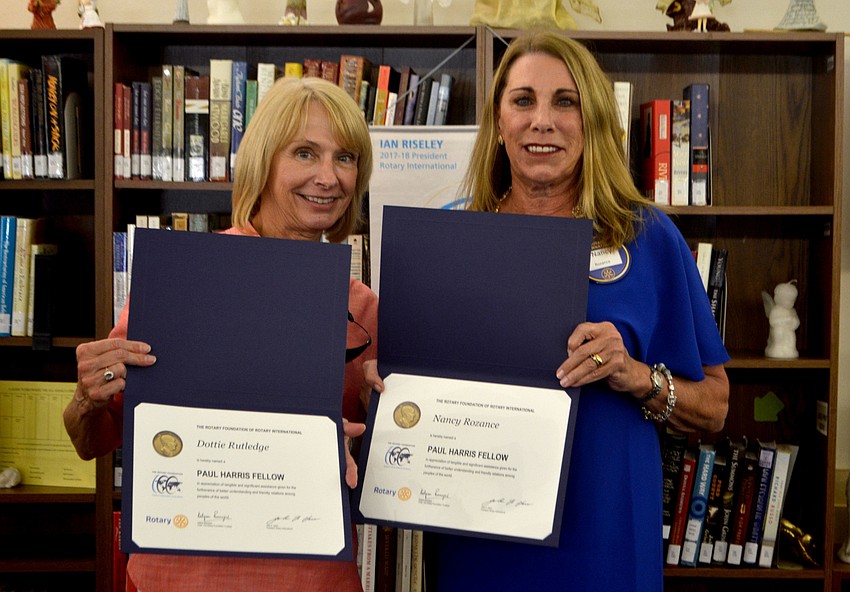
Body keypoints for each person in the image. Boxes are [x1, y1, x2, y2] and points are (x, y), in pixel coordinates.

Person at [365, 31, 729, 591]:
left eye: (565, 101)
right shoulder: (452, 236)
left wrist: (633, 375)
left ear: (594, 122)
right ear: (499, 121)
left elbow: (715, 407)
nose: (543, 120)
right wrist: (387, 389)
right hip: (479, 532)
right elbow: (408, 387)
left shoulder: (649, 237)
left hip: (607, 533)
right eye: (523, 100)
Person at [63, 76, 377, 591]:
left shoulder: (363, 309)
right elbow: (87, 440)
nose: (328, 177)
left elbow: (388, 470)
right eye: (304, 153)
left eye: (345, 158)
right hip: (181, 576)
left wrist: (374, 421)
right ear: (263, 163)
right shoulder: (179, 280)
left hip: (312, 578)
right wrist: (86, 397)